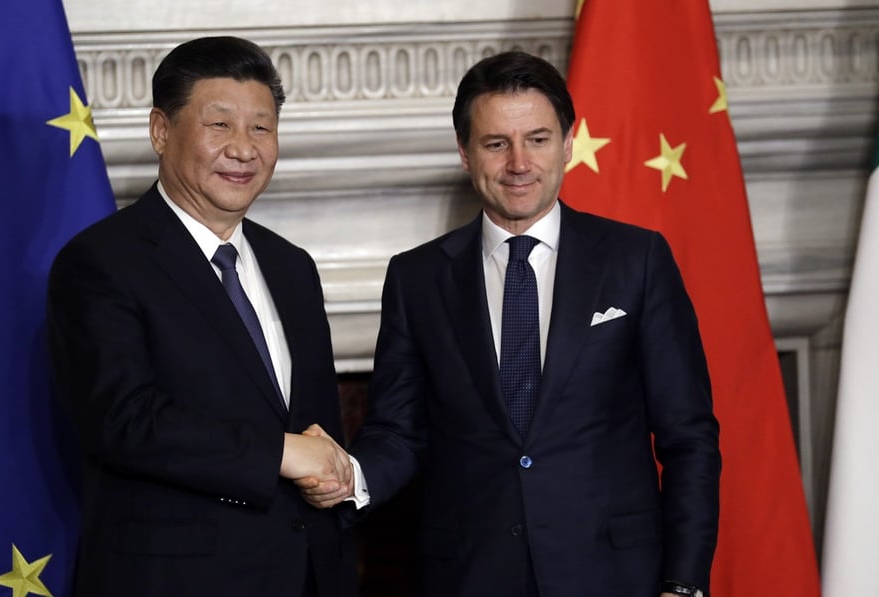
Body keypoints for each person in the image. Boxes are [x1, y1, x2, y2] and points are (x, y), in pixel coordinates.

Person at [299, 51, 721, 597]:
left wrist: (684, 584)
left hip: (617, 576)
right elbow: (397, 431)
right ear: (465, 152)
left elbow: (689, 438)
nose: (519, 163)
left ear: (568, 144)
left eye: (538, 139)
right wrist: (350, 477)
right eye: (497, 143)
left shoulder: (636, 260)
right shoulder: (417, 278)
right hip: (469, 574)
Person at [47, 36, 357, 597]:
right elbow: (123, 420)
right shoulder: (100, 262)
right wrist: (281, 453)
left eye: (261, 128)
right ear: (161, 131)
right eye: (220, 125)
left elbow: (317, 429)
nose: (244, 148)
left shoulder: (292, 267)